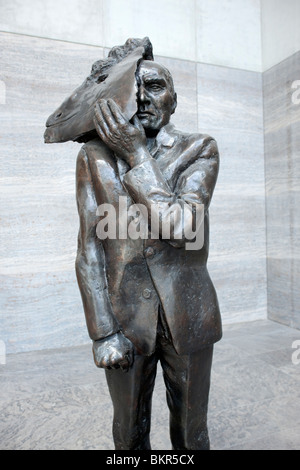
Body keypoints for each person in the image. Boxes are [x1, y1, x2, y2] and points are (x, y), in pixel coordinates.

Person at [75, 59, 222, 450]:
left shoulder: (199, 148)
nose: (141, 97)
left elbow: (182, 227)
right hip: (124, 322)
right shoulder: (94, 156)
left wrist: (138, 155)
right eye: (132, 87)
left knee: (192, 432)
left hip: (187, 315)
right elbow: (89, 248)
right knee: (128, 431)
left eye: (155, 86)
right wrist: (102, 331)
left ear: (173, 99)